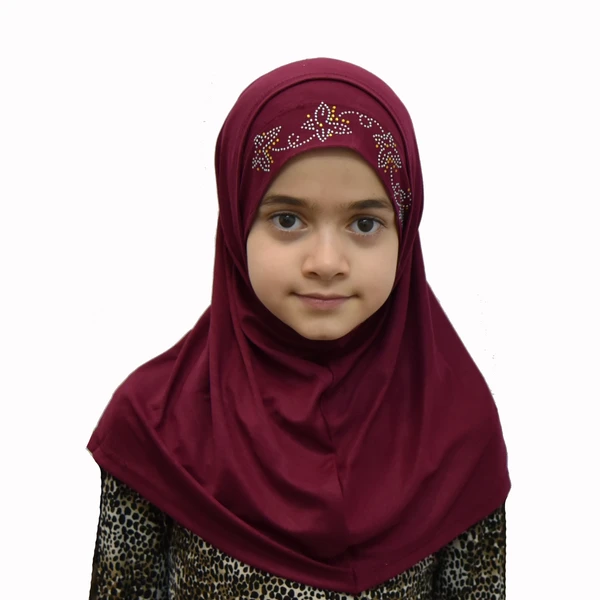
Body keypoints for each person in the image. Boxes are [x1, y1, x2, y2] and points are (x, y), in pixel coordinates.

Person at [88, 57, 510, 599]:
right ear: (236, 220)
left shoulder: (458, 430)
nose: (326, 262)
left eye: (365, 223)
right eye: (287, 219)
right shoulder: (155, 426)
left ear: (405, 236)